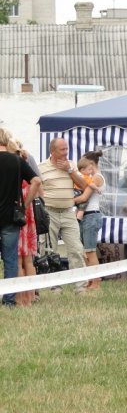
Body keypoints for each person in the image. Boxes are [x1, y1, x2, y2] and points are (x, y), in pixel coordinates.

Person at [39, 137, 88, 294]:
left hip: (68, 212)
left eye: (67, 149)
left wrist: (70, 170)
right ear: (52, 152)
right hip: (50, 212)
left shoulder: (71, 165)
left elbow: (84, 185)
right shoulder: (41, 168)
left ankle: (81, 288)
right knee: (49, 250)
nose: (66, 152)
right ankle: (55, 287)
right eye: (62, 149)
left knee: (76, 248)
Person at [0, 128, 41, 307]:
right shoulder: (16, 161)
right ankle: (9, 300)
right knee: (10, 259)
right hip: (11, 217)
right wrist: (25, 204)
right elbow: (37, 181)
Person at [73, 151, 105, 290]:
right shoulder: (91, 177)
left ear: (91, 164)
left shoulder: (97, 178)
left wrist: (67, 201)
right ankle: (91, 280)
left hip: (91, 215)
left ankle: (96, 282)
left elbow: (84, 198)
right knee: (86, 251)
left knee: (90, 251)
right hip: (87, 216)